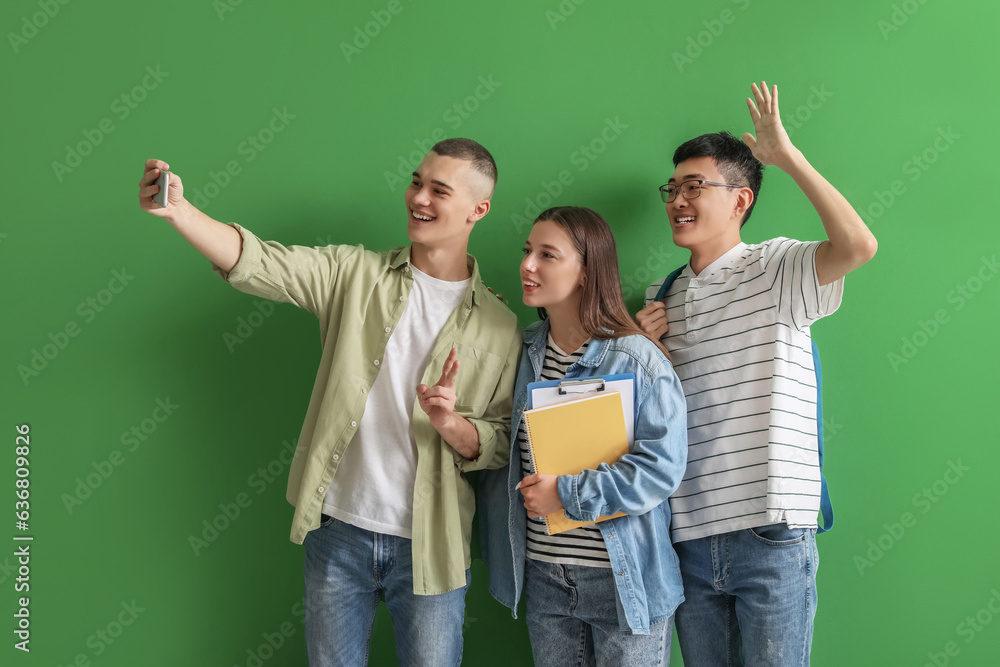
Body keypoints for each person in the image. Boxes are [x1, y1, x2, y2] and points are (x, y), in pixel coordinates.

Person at [137, 138, 521, 667]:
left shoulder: (500, 326)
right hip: (338, 532)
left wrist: (450, 423)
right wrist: (180, 211)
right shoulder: (353, 274)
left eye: (439, 189)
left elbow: (500, 442)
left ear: (478, 209)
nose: (419, 197)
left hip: (433, 546)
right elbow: (260, 262)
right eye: (416, 181)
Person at [635, 82, 878, 666]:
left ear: (741, 200)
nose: (678, 200)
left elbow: (858, 245)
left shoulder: (777, 266)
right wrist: (646, 355)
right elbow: (656, 420)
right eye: (673, 188)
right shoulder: (661, 296)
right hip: (687, 535)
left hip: (771, 532)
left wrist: (787, 157)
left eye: (695, 186)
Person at [479, 206, 688, 665]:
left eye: (547, 255)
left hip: (623, 579)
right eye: (527, 251)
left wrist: (567, 494)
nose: (527, 265)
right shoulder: (523, 351)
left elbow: (660, 469)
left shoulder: (636, 359)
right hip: (544, 577)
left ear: (585, 272)